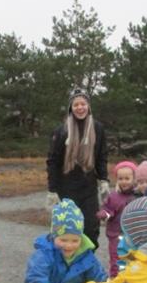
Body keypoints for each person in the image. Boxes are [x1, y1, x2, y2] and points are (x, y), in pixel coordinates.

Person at [46, 88, 109, 249]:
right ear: (71, 108)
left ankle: (87, 261)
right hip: (65, 187)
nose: (80, 108)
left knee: (90, 227)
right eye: (76, 105)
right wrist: (52, 190)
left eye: (83, 104)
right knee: (66, 228)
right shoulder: (61, 131)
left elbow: (101, 156)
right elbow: (52, 161)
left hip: (88, 186)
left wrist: (104, 180)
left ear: (88, 106)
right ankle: (66, 263)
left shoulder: (98, 128)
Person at [96, 160, 138, 277]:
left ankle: (132, 278)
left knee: (133, 257)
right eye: (120, 178)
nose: (123, 181)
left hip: (133, 235)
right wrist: (104, 214)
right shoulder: (114, 196)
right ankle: (115, 278)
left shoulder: (138, 196)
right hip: (116, 234)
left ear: (134, 178)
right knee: (116, 257)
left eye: (127, 178)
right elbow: (109, 210)